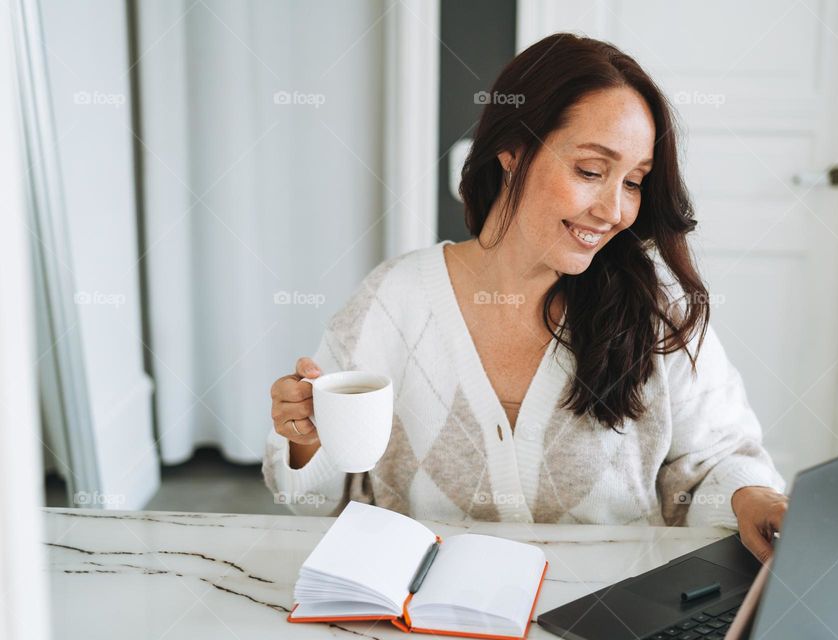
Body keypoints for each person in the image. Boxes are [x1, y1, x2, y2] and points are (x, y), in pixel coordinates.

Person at [264, 33, 788, 563]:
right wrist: (307, 438)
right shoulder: (392, 300)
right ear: (512, 153)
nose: (614, 210)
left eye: (634, 182)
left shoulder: (656, 312)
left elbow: (720, 459)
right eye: (590, 171)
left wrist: (753, 495)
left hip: (612, 612)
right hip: (431, 616)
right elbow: (310, 502)